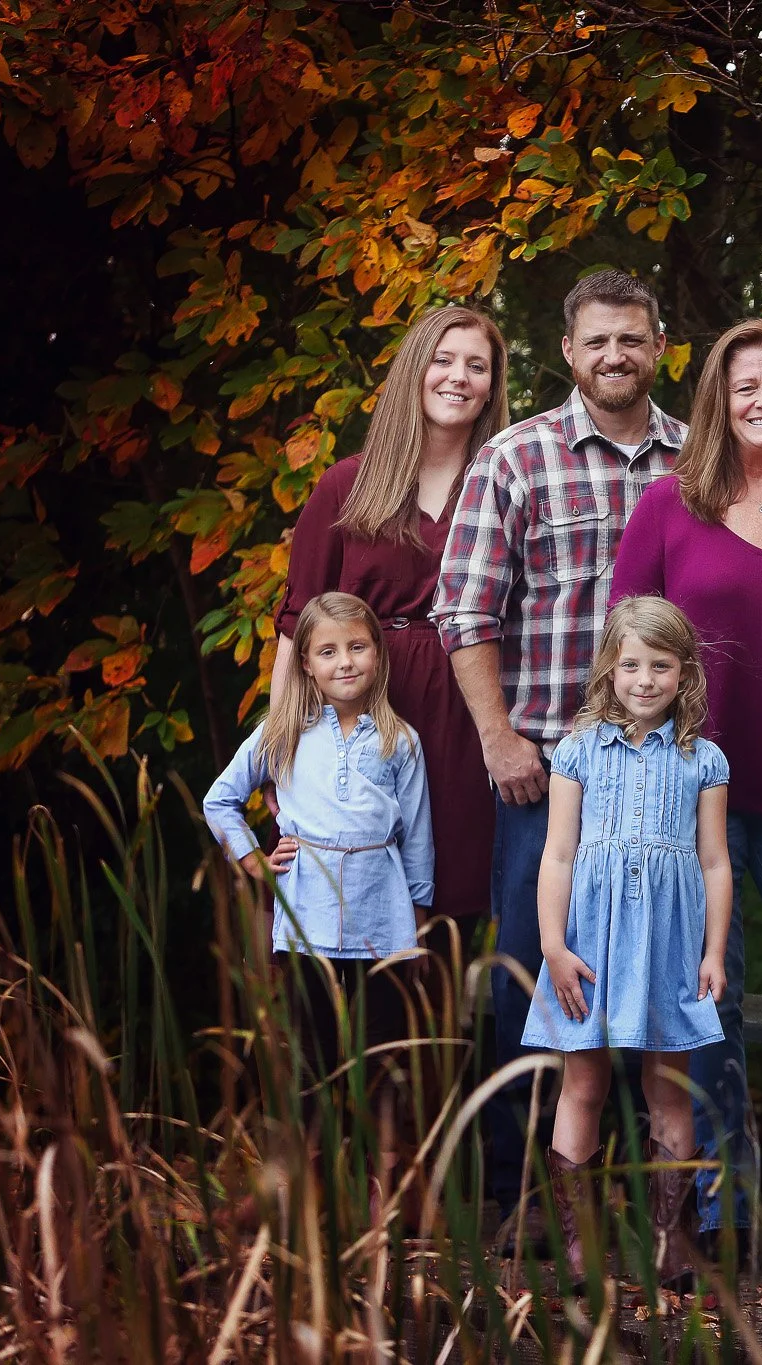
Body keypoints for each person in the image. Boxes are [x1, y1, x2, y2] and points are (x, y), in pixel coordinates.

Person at [433, 269, 687, 1221]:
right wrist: (499, 740)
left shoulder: (695, 461)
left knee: (655, 982)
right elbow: (464, 610)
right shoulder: (515, 457)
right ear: (568, 353)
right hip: (544, 772)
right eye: (597, 342)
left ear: (659, 344)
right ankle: (518, 1198)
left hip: (663, 777)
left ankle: (636, 1201)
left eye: (632, 338)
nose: (615, 356)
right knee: (534, 982)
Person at [608, 318, 762, 1244]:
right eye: (746, 387)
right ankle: (715, 1214)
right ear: (718, 401)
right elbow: (624, 652)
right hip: (690, 799)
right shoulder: (669, 504)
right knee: (705, 1003)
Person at [273, 305, 508, 960]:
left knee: (447, 920)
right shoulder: (349, 484)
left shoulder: (502, 485)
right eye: (444, 359)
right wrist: (284, 756)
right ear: (415, 371)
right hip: (363, 714)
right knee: (349, 906)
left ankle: (441, 1058)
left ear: (492, 386)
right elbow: (297, 631)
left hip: (467, 718)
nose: (458, 377)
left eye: (477, 365)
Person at [527, 596, 732, 1291]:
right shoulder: (578, 750)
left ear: (684, 673)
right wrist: (553, 944)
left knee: (669, 1088)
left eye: (661, 666)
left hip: (670, 944)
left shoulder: (703, 760)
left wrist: (713, 951)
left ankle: (672, 1242)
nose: (645, 679)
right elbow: (557, 854)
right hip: (589, 941)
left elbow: (714, 862)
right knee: (583, 1081)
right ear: (610, 669)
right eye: (632, 664)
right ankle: (580, 1246)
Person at [203, 592, 434, 1190]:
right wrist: (254, 860)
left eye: (357, 647)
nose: (345, 662)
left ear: (378, 655)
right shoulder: (283, 732)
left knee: (384, 1056)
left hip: (382, 923)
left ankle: (387, 1193)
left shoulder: (399, 741)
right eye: (328, 652)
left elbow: (417, 838)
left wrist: (418, 921)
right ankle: (310, 1194)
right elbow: (220, 800)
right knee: (311, 1056)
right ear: (306, 662)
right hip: (306, 923)